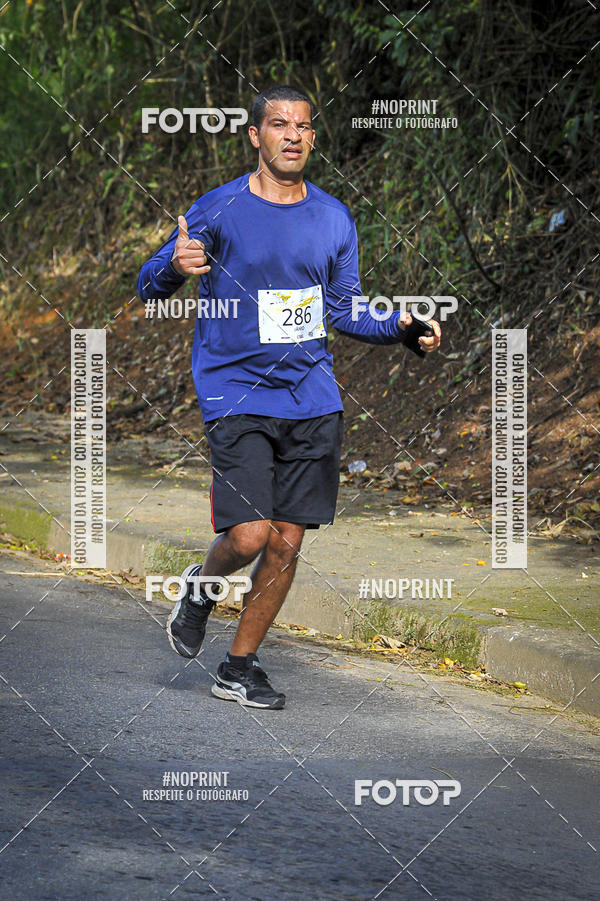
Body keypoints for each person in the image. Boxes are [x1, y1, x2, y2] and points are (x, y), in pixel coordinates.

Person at [137, 84, 441, 710]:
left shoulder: (333, 217)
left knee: (286, 543)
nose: (293, 136)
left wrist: (402, 329)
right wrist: (175, 266)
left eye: (303, 126)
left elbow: (346, 308)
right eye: (279, 125)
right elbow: (148, 284)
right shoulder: (219, 210)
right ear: (256, 136)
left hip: (311, 398)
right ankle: (200, 587)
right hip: (236, 394)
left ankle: (239, 665)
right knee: (248, 536)